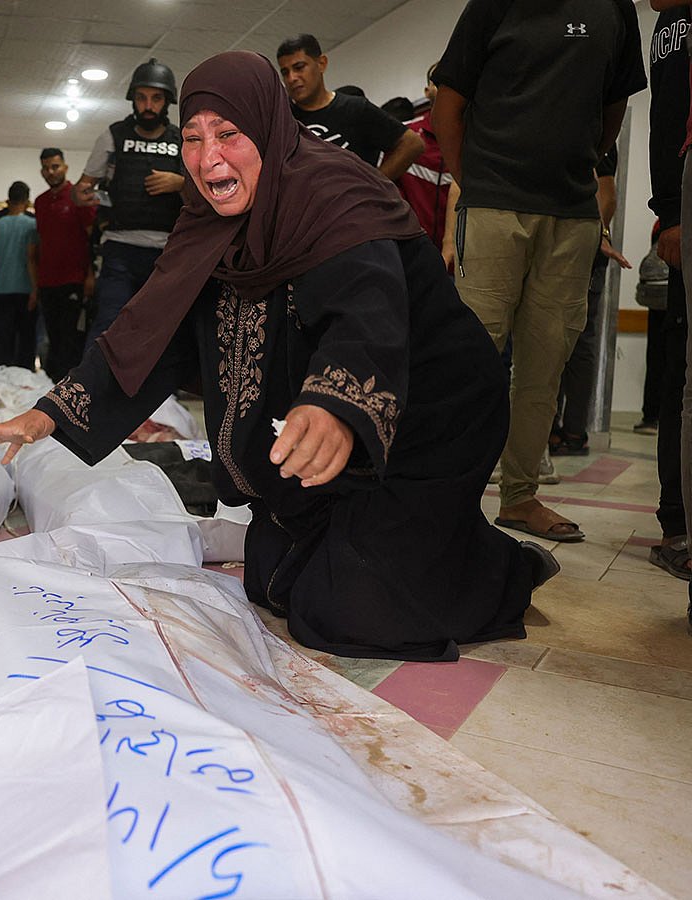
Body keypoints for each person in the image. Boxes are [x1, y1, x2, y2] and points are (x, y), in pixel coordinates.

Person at [0, 51, 557, 663]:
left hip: (427, 419)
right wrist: (49, 414)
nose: (208, 157)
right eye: (192, 138)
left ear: (268, 127)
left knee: (348, 612)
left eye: (229, 134)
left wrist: (335, 406)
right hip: (341, 431)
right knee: (270, 580)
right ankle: (413, 541)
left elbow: (367, 309)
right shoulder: (206, 218)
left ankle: (500, 568)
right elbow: (152, 330)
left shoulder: (334, 192)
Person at [432, 1, 647, 544]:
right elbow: (450, 103)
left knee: (545, 363)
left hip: (572, 212)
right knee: (472, 358)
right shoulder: (494, 3)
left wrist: (580, 166)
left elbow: (613, 102)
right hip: (495, 204)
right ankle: (445, 495)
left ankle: (521, 496)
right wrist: (476, 185)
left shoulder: (616, 7)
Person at [72, 58, 185, 344]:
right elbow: (83, 186)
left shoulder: (182, 140)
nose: (148, 105)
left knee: (159, 330)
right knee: (108, 325)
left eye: (156, 98)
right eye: (141, 97)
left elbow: (205, 195)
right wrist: (82, 194)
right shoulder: (113, 136)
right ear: (132, 99)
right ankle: (91, 389)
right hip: (119, 248)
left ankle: (154, 390)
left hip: (165, 251)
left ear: (167, 101)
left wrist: (179, 183)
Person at [648, 1, 691, 580]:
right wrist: (670, 212)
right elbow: (668, 120)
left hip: (682, 203)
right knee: (681, 371)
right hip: (682, 202)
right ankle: (677, 520)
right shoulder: (669, 24)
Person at [550, 151, 631, 457]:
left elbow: (607, 197)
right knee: (557, 341)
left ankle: (569, 430)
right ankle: (556, 429)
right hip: (564, 249)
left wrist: (597, 236)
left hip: (581, 253)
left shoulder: (598, 138)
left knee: (574, 343)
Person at [276, 34, 424, 179]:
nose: (292, 78)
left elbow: (412, 144)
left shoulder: (355, 108)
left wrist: (376, 186)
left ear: (321, 63)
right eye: (285, 72)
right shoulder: (285, 122)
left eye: (299, 67)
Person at [35, 148, 98, 381]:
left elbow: (93, 238)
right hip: (47, 281)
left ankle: (69, 392)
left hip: (74, 280)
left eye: (55, 166)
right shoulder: (40, 202)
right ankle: (51, 392)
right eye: (46, 167)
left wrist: (90, 276)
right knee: (52, 337)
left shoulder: (78, 197)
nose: (50, 172)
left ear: (65, 167)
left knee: (70, 339)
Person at [396, 63, 453, 257]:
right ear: (427, 91)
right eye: (438, 81)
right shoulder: (407, 138)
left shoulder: (478, 135)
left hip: (470, 256)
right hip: (420, 257)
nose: (446, 85)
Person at [0, 181, 39, 369]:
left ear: (8, 200)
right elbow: (31, 258)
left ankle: (0, 378)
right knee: (25, 340)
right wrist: (35, 289)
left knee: (2, 340)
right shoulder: (33, 225)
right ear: (27, 200)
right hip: (25, 289)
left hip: (1, 289)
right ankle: (24, 383)